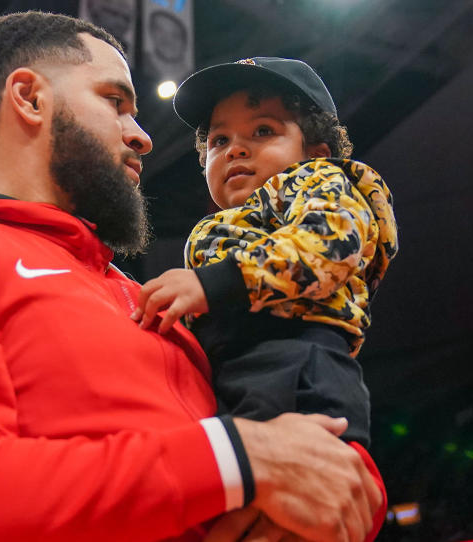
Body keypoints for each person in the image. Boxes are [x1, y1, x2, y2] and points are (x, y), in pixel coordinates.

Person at [0, 11, 385, 542]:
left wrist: (338, 480)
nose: (142, 135)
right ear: (29, 97)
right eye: (115, 101)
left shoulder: (150, 297)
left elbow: (311, 450)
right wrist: (243, 458)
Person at [133, 57, 399, 449]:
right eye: (219, 140)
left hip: (299, 366)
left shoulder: (317, 178)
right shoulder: (224, 226)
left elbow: (331, 241)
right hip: (235, 381)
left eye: (262, 130)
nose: (236, 149)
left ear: (316, 153)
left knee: (302, 495)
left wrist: (214, 283)